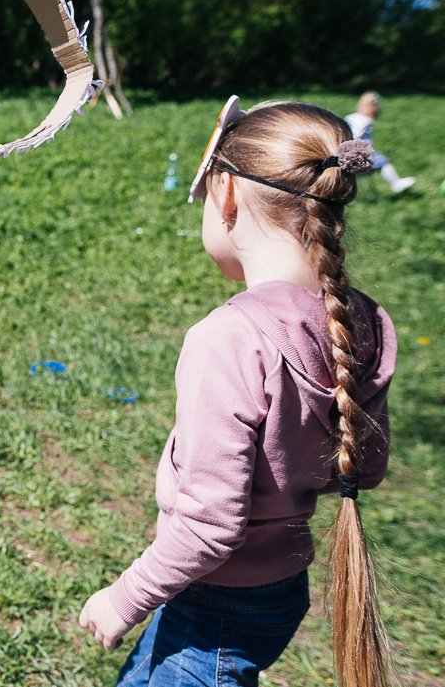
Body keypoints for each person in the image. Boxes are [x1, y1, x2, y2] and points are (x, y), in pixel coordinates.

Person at [79, 99, 398, 687]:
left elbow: (210, 527)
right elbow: (365, 467)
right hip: (278, 589)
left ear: (225, 194)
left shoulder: (228, 338)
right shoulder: (365, 322)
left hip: (214, 603)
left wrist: (124, 598)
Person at [345, 91, 416, 194]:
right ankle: (395, 183)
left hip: (345, 155)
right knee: (382, 160)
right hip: (358, 155)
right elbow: (355, 135)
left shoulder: (350, 117)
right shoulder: (364, 121)